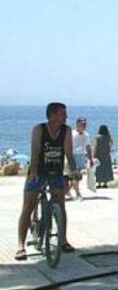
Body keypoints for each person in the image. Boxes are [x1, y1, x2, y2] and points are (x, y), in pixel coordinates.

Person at [16, 102, 79, 260]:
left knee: (60, 203)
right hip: (38, 171)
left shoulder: (66, 130)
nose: (66, 116)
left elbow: (69, 154)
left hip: (56, 172)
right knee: (28, 205)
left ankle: (63, 240)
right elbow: (35, 152)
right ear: (52, 115)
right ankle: (20, 245)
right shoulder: (39, 130)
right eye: (63, 114)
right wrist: (34, 172)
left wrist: (74, 170)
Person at [70, 117, 93, 200]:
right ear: (77, 124)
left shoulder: (86, 135)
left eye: (85, 124)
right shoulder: (72, 134)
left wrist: (90, 159)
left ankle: (69, 191)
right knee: (74, 176)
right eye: (82, 124)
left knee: (77, 176)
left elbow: (88, 147)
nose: (84, 126)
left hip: (82, 155)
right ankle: (78, 193)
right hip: (73, 155)